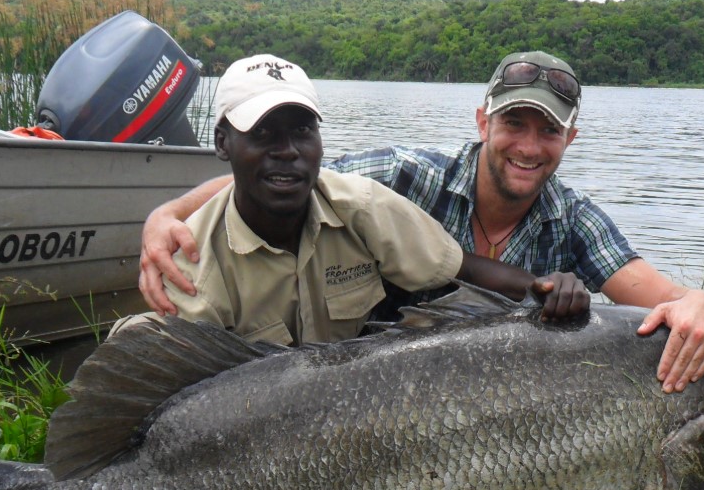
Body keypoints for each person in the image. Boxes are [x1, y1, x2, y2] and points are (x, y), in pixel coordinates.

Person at [140, 51, 704, 392]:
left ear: (570, 139)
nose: (529, 145)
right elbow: (284, 176)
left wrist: (700, 302)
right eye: (514, 123)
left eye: (548, 131)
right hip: (375, 392)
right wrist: (167, 213)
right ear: (481, 121)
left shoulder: (574, 218)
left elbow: (660, 300)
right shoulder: (399, 177)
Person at [128, 53, 588, 345]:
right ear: (224, 143)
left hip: (348, 401)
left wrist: (543, 290)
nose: (287, 151)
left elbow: (461, 268)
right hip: (251, 414)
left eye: (302, 131)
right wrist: (166, 215)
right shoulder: (191, 264)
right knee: (135, 336)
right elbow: (192, 384)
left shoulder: (361, 202)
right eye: (263, 133)